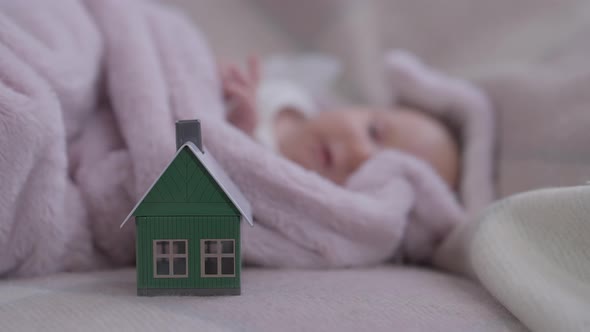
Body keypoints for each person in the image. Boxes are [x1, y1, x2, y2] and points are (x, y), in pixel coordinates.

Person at [220, 57, 460, 189]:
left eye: (379, 172)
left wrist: (240, 132)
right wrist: (231, 84)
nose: (362, 155)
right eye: (374, 132)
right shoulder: (286, 92)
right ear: (354, 107)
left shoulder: (297, 191)